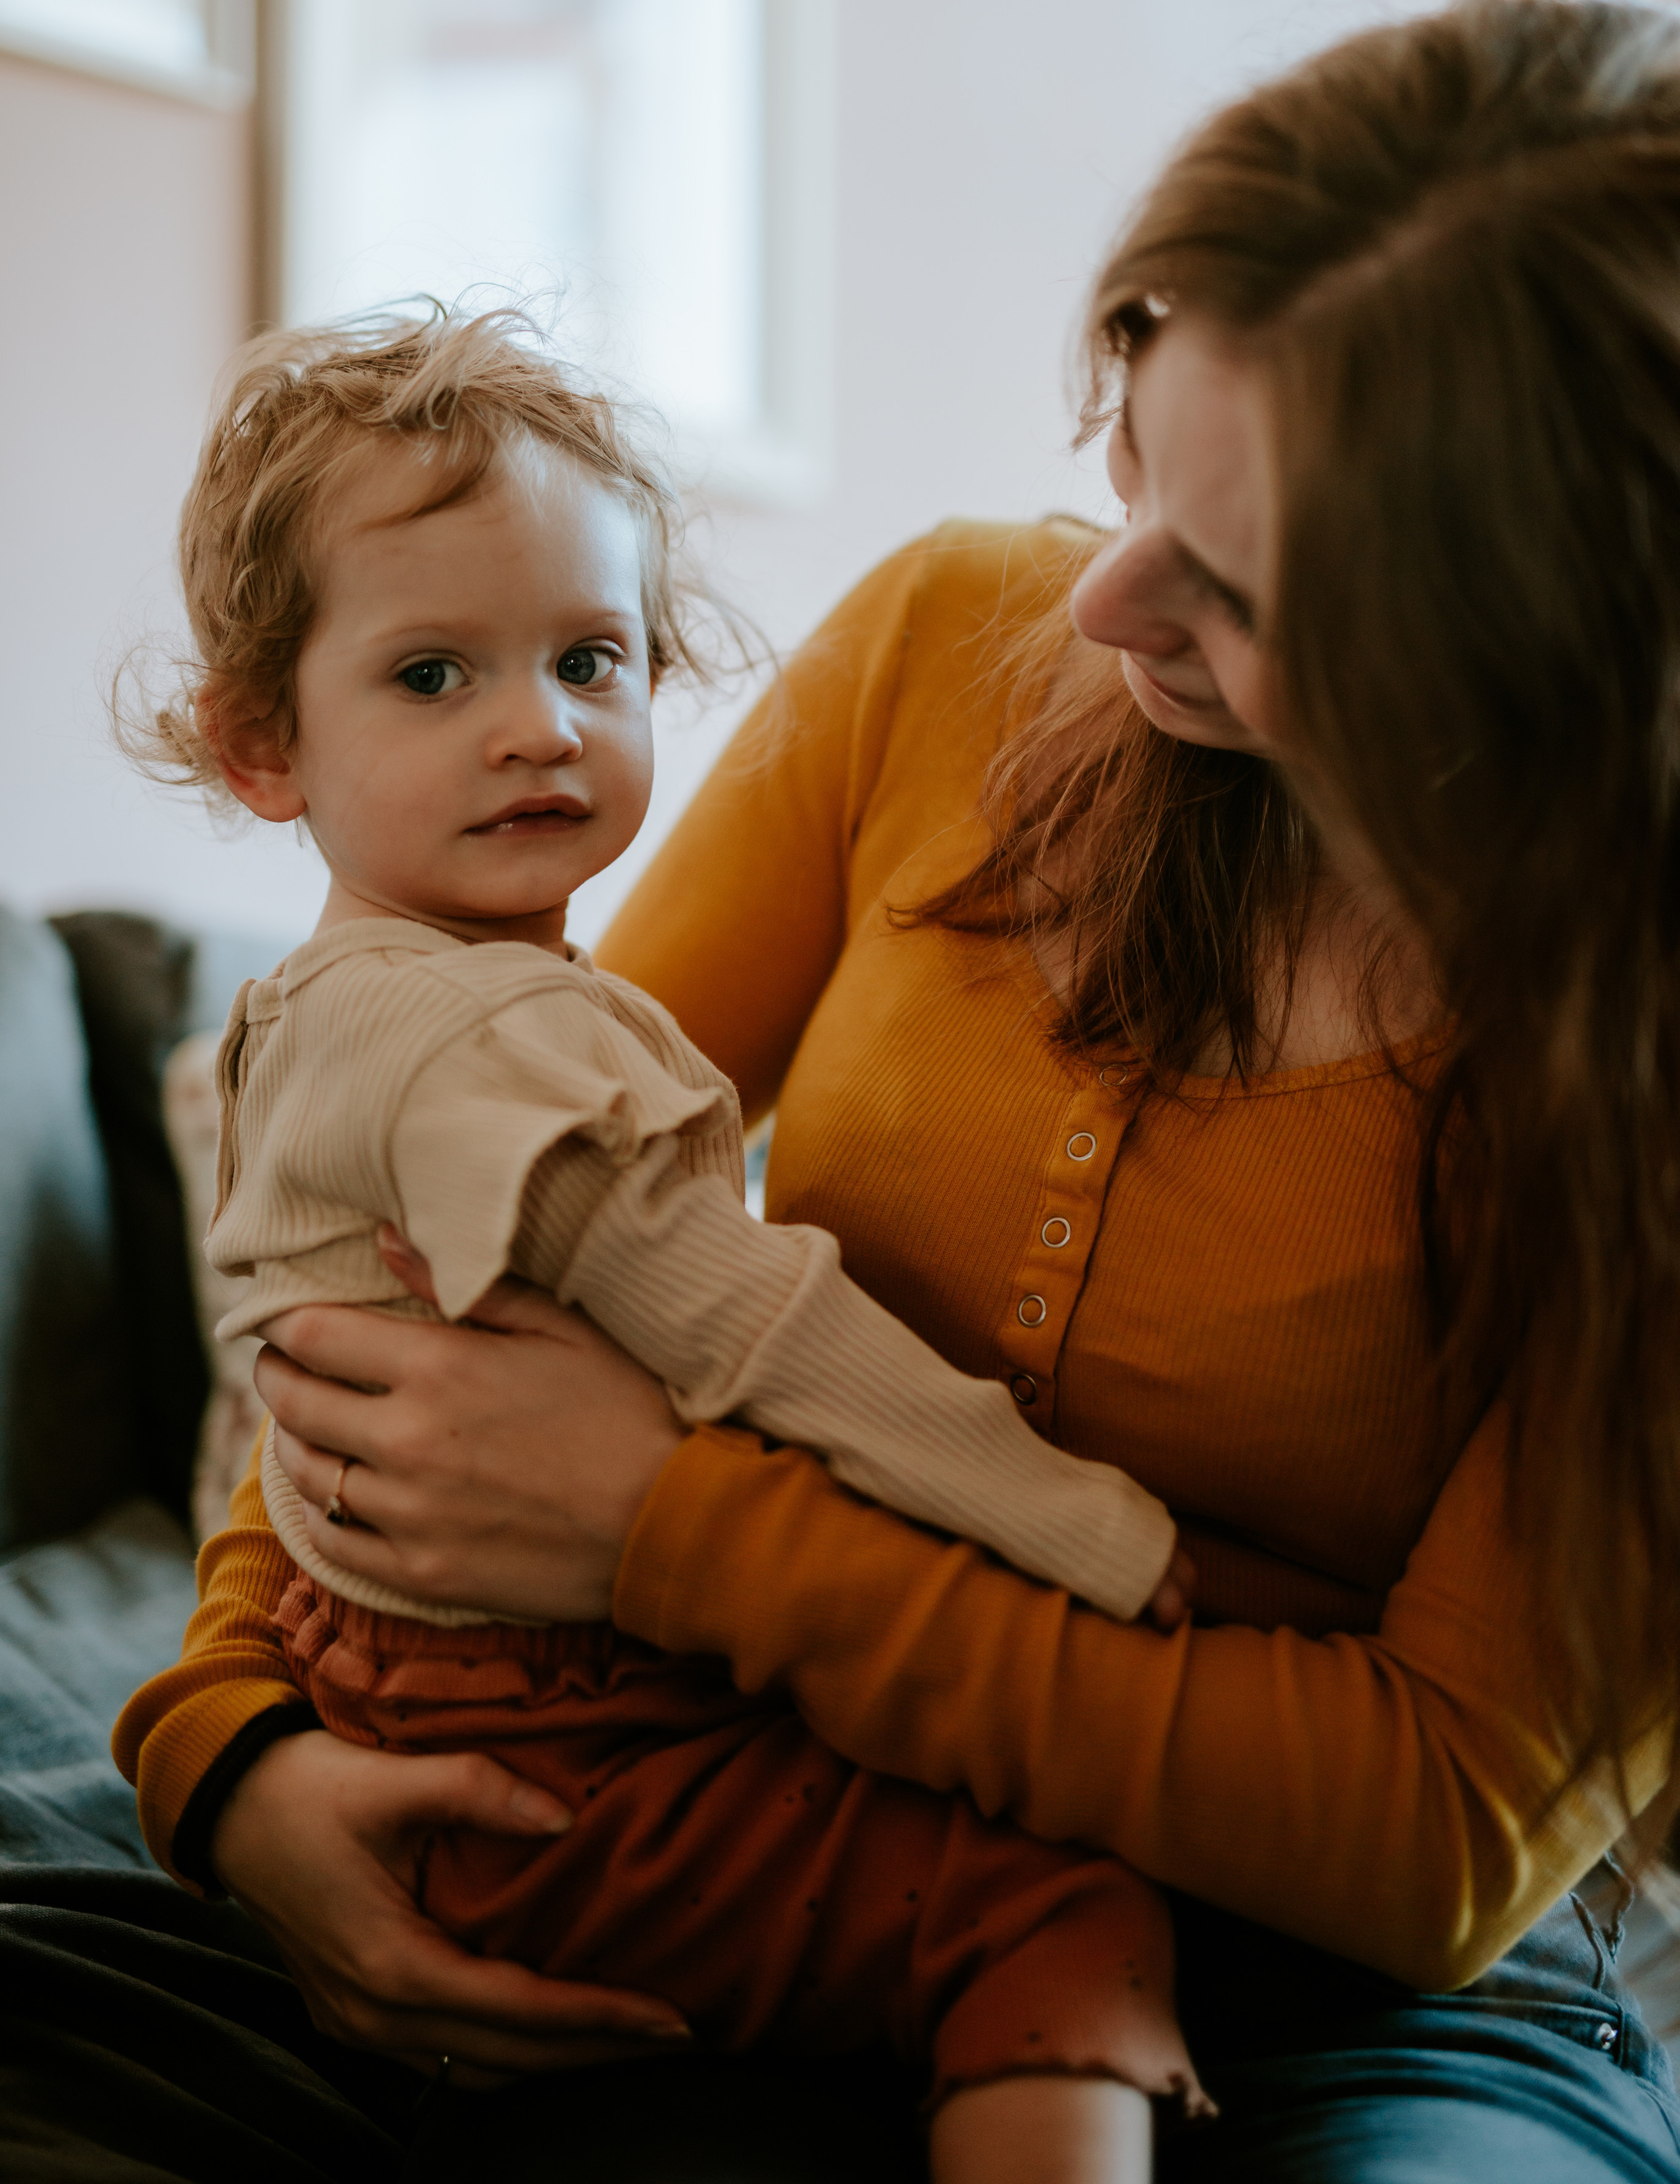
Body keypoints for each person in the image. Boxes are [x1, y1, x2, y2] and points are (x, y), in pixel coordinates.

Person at [22, 0, 1673, 2181]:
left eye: (1245, 580)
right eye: (1133, 463)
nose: (1102, 598)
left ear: (1540, 667)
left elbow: (1430, 1826)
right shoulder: (939, 652)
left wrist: (677, 1528)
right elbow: (416, 1254)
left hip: (1326, 1988)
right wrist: (233, 1764)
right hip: (701, 1800)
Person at [111, 306, 1213, 2182]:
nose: (538, 722)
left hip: (389, 1678)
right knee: (1057, 1909)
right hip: (557, 1732)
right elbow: (765, 1332)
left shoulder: (332, 1003)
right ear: (261, 742)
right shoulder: (497, 1043)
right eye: (436, 672)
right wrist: (1096, 1534)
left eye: (589, 657)